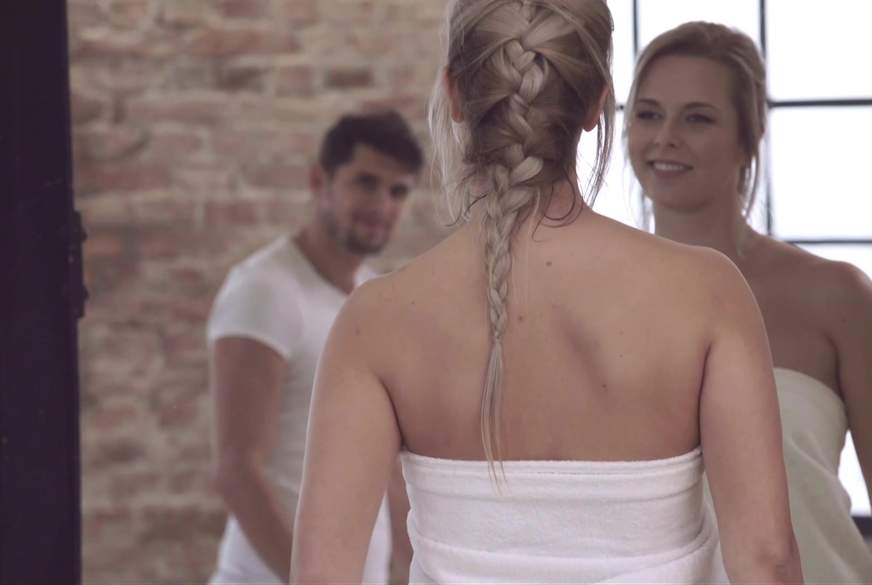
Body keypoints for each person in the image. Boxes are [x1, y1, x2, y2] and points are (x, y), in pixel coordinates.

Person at [291, 2, 802, 584]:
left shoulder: (374, 321)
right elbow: (766, 560)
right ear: (595, 104)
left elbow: (320, 575)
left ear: (454, 93)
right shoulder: (708, 294)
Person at [625, 20, 872, 584]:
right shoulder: (592, 300)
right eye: (648, 114)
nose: (666, 137)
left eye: (698, 118)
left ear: (749, 137)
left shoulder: (837, 297)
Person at [206, 110, 424, 585]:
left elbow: (386, 469)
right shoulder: (265, 291)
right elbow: (237, 470)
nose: (381, 205)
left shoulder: (370, 299)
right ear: (318, 181)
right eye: (366, 183)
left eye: (397, 191)